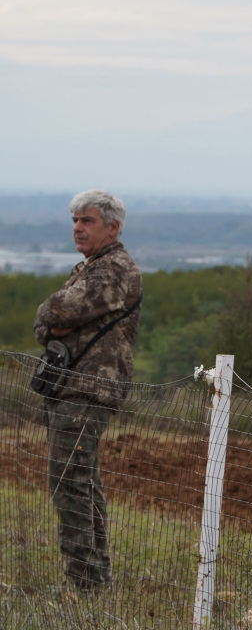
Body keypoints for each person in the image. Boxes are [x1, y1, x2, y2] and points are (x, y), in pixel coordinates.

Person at [33, 191, 142, 590]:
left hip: (88, 389)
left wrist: (52, 317)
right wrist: (51, 320)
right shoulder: (91, 267)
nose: (78, 228)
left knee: (70, 483)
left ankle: (85, 585)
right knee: (81, 483)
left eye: (87, 221)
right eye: (75, 221)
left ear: (113, 228)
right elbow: (47, 323)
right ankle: (94, 581)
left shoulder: (112, 270)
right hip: (73, 387)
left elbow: (59, 310)